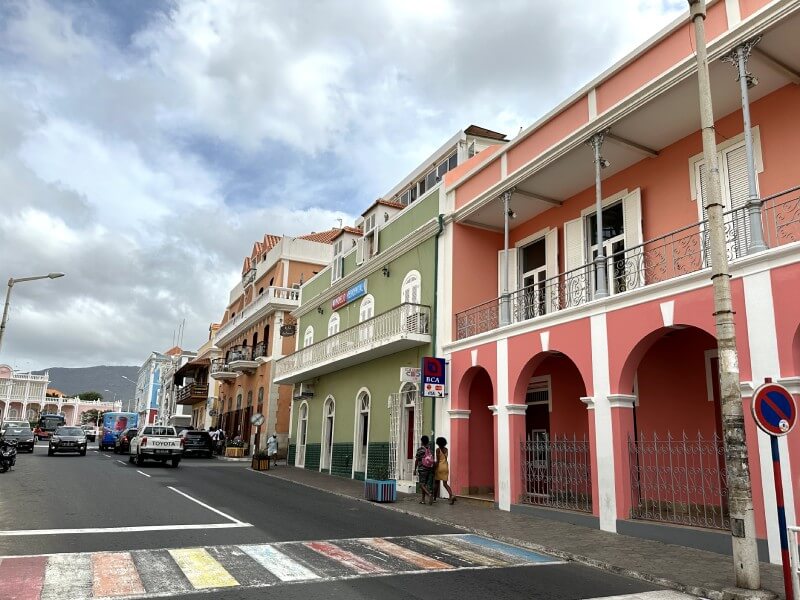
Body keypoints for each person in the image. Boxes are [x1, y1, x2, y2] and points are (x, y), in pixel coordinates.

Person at [414, 435, 435, 505]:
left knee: (421, 484)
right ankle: (423, 500)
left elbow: (417, 460)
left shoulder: (420, 450)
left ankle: (429, 494)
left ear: (422, 441)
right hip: (429, 468)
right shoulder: (430, 450)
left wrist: (414, 469)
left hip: (422, 469)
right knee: (424, 484)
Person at [434, 437, 456, 505]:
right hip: (446, 467)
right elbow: (445, 458)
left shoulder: (438, 450)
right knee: (445, 484)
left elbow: (438, 461)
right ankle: (451, 495)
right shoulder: (446, 449)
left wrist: (435, 468)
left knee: (436, 483)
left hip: (440, 467)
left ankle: (434, 498)